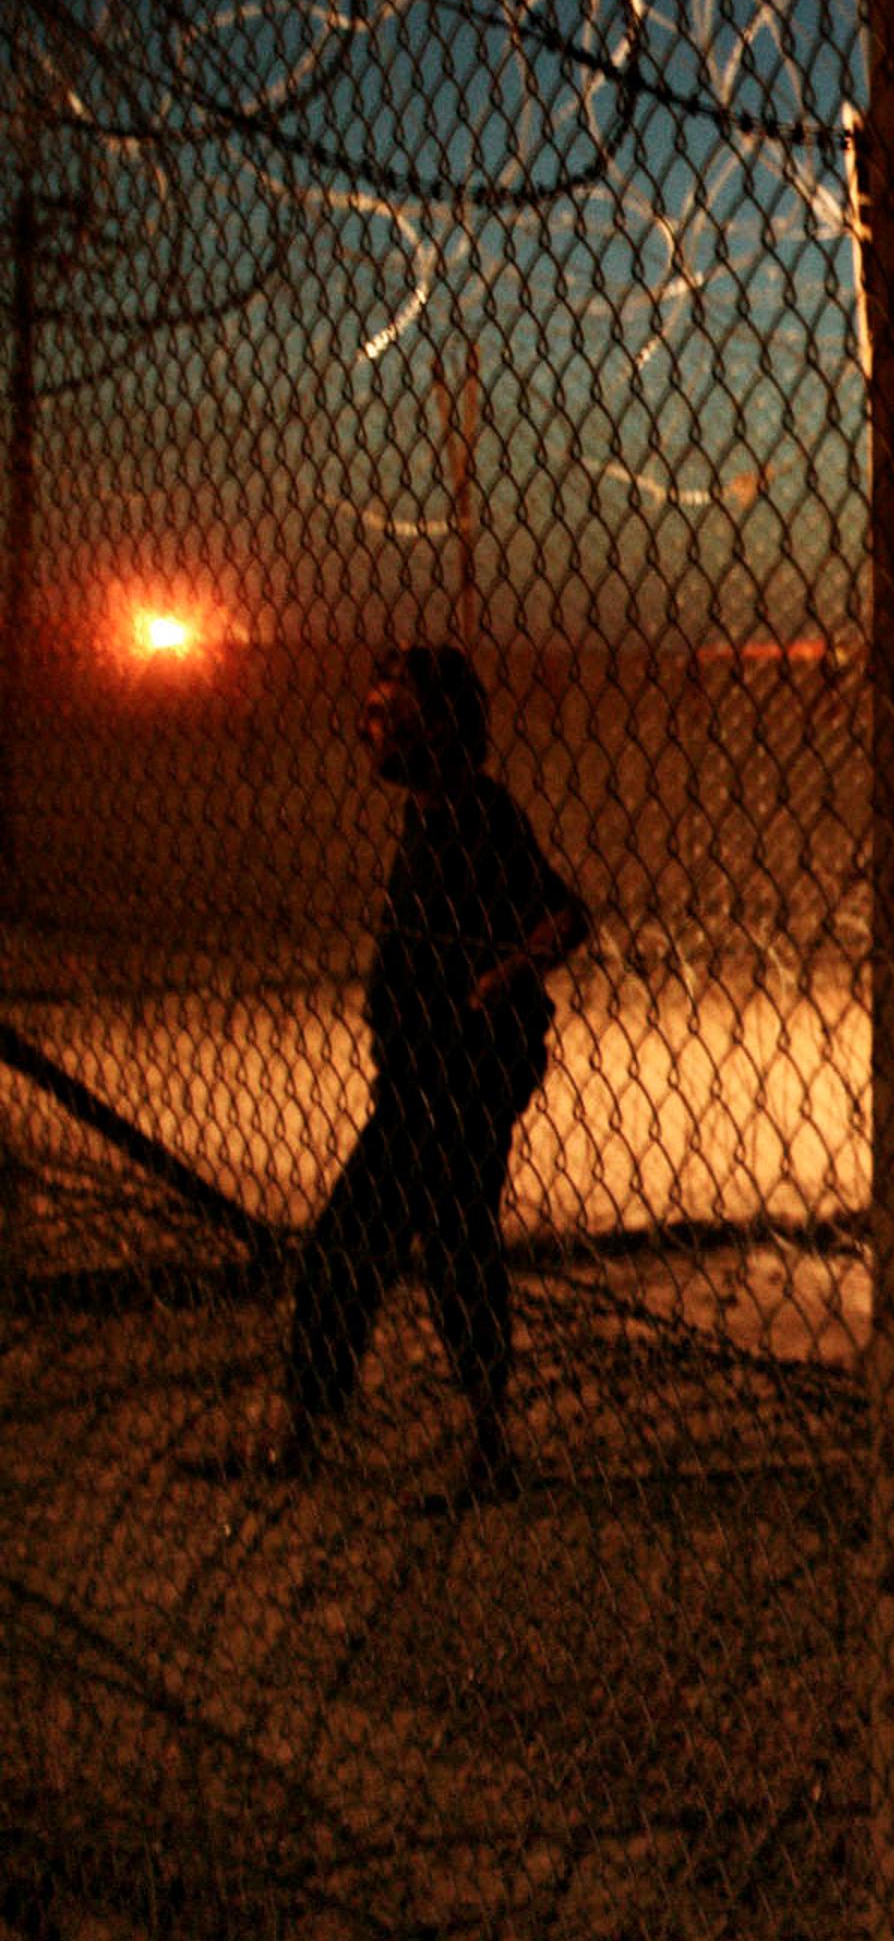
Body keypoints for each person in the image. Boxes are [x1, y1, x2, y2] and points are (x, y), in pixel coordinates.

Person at [234, 645, 590, 1508]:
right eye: (372, 711)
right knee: (366, 1248)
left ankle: (484, 1449)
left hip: (467, 1070)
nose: (371, 729)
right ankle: (325, 1429)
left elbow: (566, 914)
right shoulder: (433, 816)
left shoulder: (478, 815)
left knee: (438, 1245)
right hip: (419, 1075)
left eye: (391, 714)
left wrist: (503, 975)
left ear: (442, 726)